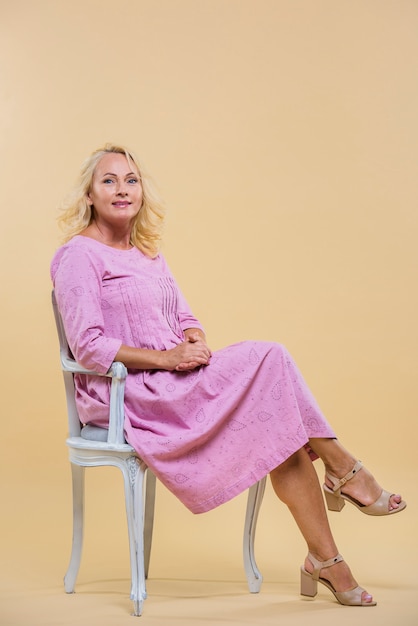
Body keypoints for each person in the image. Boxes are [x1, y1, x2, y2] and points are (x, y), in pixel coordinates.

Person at [51, 143, 406, 608]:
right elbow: (89, 346)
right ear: (90, 195)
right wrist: (170, 359)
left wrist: (194, 339)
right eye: (109, 181)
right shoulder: (79, 255)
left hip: (177, 379)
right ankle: (344, 471)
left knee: (281, 423)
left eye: (131, 180)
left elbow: (184, 315)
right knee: (271, 356)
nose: (122, 189)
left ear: (141, 192)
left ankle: (326, 559)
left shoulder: (148, 255)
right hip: (134, 394)